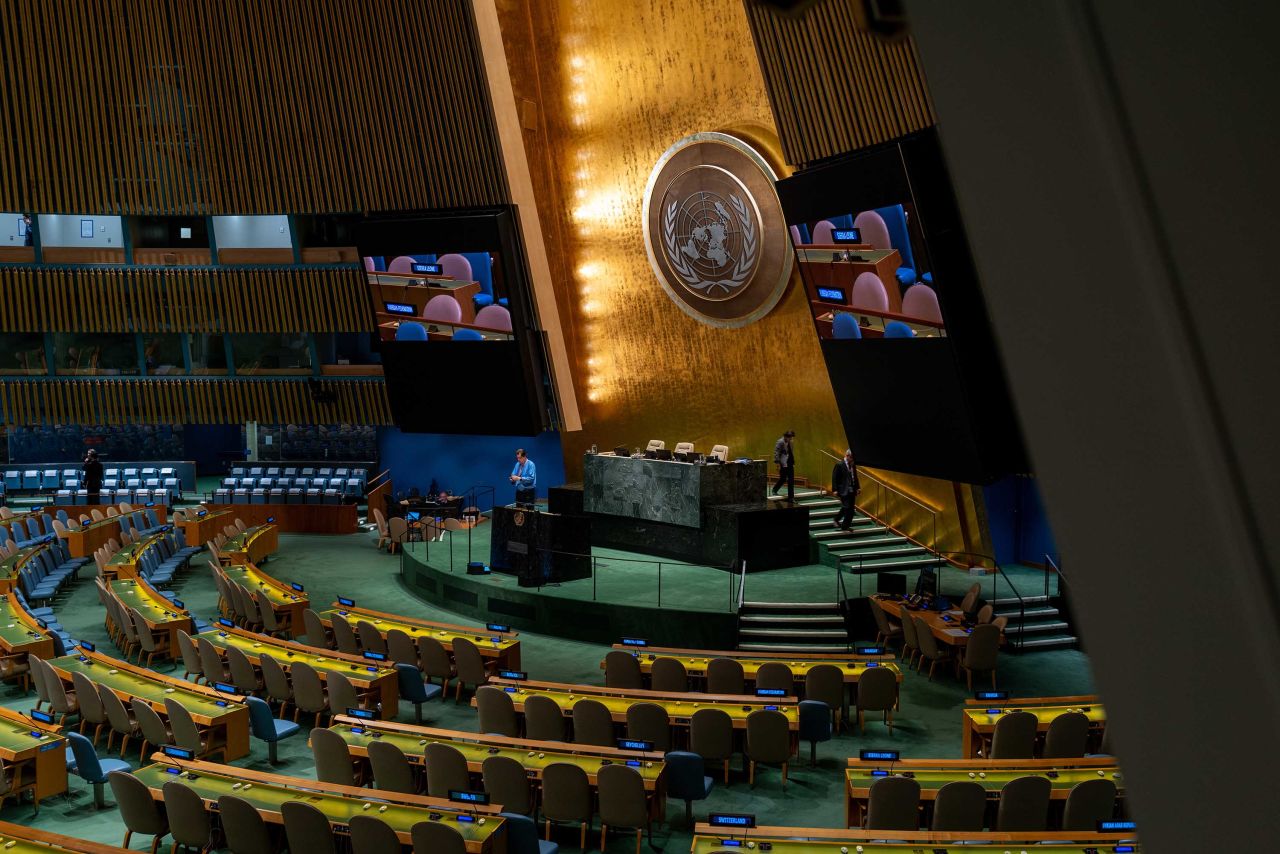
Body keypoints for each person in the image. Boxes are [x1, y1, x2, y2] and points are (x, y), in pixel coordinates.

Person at [831, 448, 860, 530]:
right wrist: (835, 489)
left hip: (852, 490)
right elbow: (834, 477)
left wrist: (858, 487)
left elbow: (855, 477)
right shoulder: (839, 465)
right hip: (843, 490)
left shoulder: (852, 465)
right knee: (847, 507)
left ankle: (841, 522)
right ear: (847, 456)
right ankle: (843, 525)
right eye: (851, 457)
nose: (853, 459)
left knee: (850, 508)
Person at [772, 430, 796, 501]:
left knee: (791, 480)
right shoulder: (780, 442)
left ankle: (791, 498)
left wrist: (793, 462)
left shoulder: (791, 442)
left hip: (789, 463)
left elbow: (791, 453)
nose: (791, 439)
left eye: (791, 438)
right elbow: (776, 452)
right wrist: (777, 463)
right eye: (790, 438)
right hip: (782, 463)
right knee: (783, 478)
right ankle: (775, 489)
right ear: (785, 436)